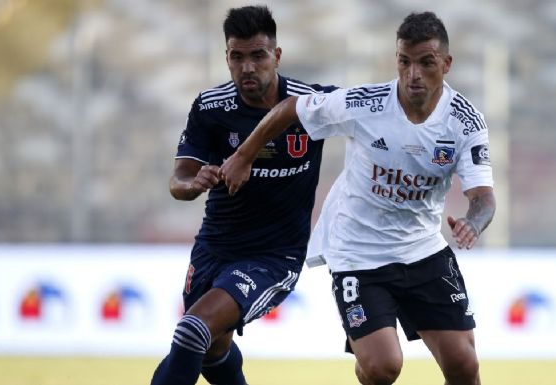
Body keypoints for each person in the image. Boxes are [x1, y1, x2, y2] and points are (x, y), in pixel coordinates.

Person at [221, 11, 495, 385]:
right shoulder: (365, 104)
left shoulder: (465, 121)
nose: (413, 74)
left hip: (423, 250)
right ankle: (367, 363)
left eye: (425, 63)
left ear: (446, 64)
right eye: (405, 61)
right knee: (383, 366)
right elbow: (291, 108)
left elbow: (483, 198)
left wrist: (472, 223)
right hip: (358, 253)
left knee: (464, 365)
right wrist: (243, 155)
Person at [150, 6, 335, 385]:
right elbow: (178, 180)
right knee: (211, 349)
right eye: (237, 57)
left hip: (273, 256)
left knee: (192, 330)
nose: (247, 67)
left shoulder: (311, 103)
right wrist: (193, 183)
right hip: (214, 249)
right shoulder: (210, 107)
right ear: (227, 58)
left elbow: (370, 112)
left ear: (276, 56)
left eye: (258, 55)